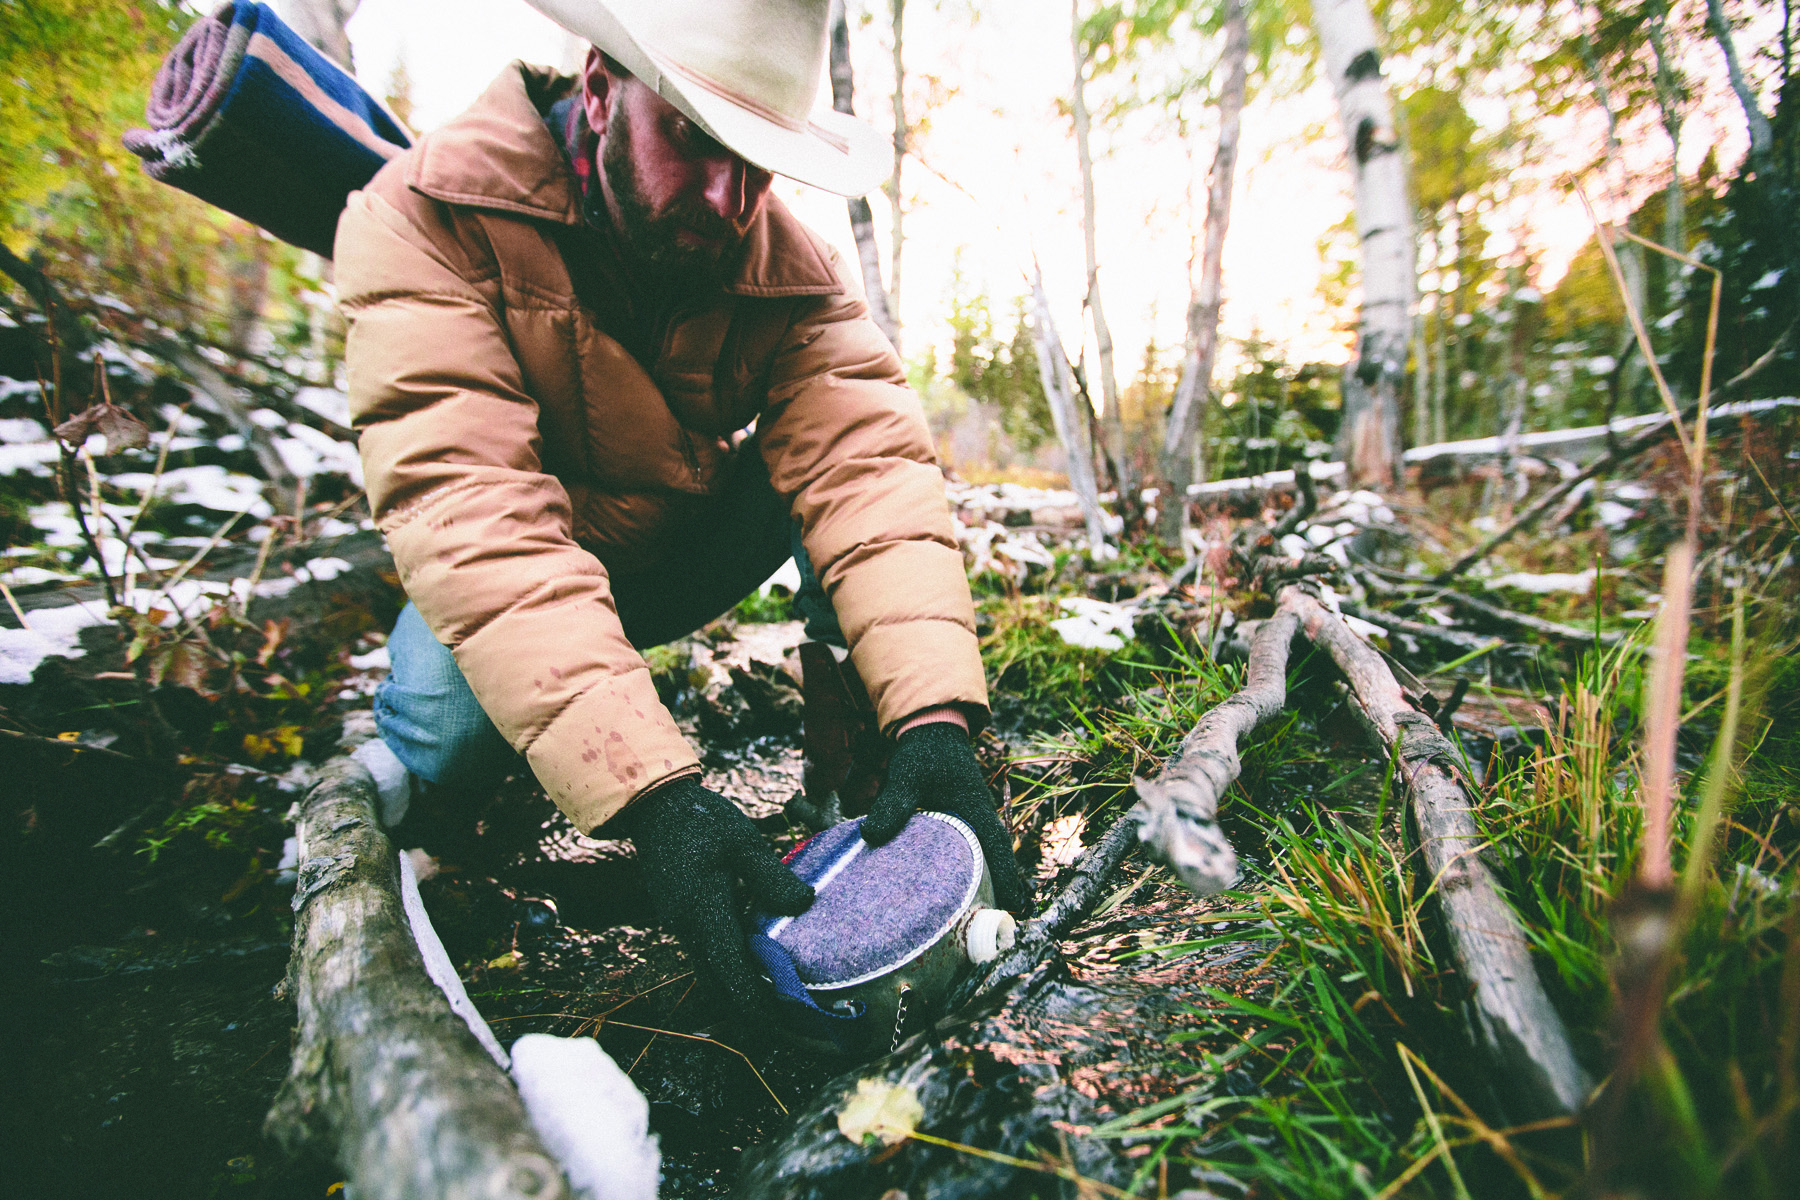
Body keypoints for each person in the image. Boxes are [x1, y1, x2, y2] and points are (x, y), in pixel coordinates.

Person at [333, 0, 1026, 1032]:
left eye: (758, 162)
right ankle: (395, 772)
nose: (727, 196)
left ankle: (870, 783)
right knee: (441, 756)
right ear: (604, 93)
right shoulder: (421, 217)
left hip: (677, 551)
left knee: (841, 467)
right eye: (698, 142)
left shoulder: (788, 274)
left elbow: (870, 474)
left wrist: (931, 722)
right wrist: (652, 798)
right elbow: (474, 515)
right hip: (514, 564)